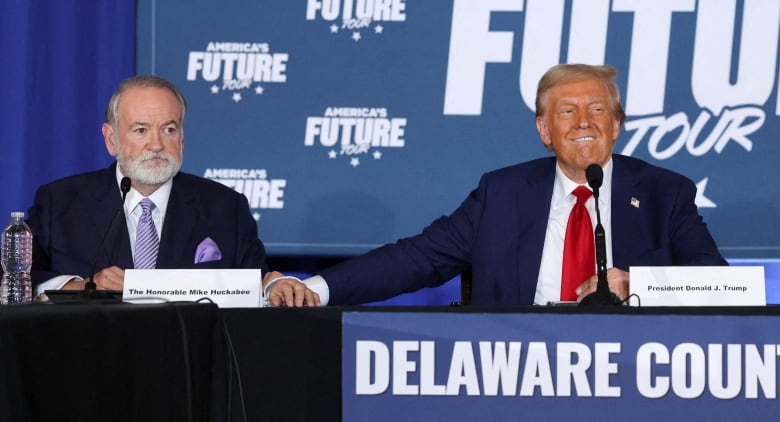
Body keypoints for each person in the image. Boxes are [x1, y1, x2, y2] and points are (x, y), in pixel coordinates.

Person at [265, 63, 727, 307]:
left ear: (618, 124)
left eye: (598, 110)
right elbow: (418, 258)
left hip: (629, 370)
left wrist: (639, 283)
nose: (583, 122)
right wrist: (317, 288)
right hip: (517, 367)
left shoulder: (666, 193)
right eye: (567, 111)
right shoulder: (502, 193)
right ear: (545, 130)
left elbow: (718, 283)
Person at [28, 74, 319, 306]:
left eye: (169, 129)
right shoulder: (60, 202)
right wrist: (78, 287)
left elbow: (255, 282)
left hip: (190, 366)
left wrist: (275, 285)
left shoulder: (225, 207)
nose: (157, 145)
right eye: (141, 130)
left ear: (182, 137)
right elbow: (16, 276)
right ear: (111, 138)